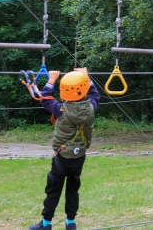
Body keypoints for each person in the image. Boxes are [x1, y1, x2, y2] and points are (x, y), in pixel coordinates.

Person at [29, 69, 101, 230]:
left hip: (62, 157)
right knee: (73, 190)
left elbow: (44, 99)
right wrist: (87, 77)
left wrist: (51, 80)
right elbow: (96, 95)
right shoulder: (91, 108)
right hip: (79, 157)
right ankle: (70, 223)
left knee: (53, 189)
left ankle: (46, 223)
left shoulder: (61, 110)